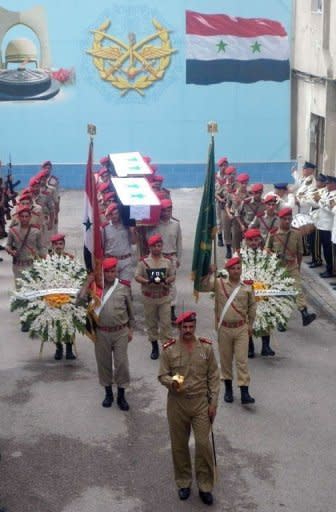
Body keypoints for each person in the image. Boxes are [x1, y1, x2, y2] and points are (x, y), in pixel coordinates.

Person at [158, 311, 220, 506]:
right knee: (179, 445)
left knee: (203, 444)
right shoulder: (169, 349)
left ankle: (205, 485)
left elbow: (214, 377)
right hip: (177, 403)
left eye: (191, 327)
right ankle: (183, 482)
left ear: (195, 326)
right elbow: (162, 375)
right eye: (184, 327)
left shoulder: (206, 348)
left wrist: (213, 403)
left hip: (201, 403)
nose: (188, 331)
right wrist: (172, 382)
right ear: (179, 328)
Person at [80, 257, 135, 410]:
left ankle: (122, 394)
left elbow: (131, 312)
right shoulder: (95, 288)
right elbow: (80, 299)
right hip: (102, 332)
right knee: (103, 363)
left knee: (122, 364)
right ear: (102, 273)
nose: (111, 274)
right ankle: (108, 392)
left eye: (113, 271)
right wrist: (87, 281)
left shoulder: (123, 288)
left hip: (120, 331)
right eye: (108, 272)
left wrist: (131, 329)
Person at [201, 257, 256, 405]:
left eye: (238, 268)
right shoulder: (219, 284)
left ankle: (245, 391)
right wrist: (208, 272)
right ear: (228, 270)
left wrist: (250, 325)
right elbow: (203, 286)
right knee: (225, 360)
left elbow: (252, 307)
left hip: (241, 328)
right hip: (224, 328)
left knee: (242, 360)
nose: (236, 271)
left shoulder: (247, 286)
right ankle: (228, 389)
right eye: (233, 268)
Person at [265, 207, 316, 329]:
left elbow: (299, 252)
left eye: (289, 219)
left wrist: (298, 267)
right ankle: (280, 320)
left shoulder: (296, 233)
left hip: (292, 265)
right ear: (280, 220)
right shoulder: (273, 233)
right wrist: (273, 255)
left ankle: (304, 313)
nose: (287, 221)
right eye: (285, 219)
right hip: (278, 267)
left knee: (297, 289)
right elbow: (266, 249)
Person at [135, 234, 175, 360]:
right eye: (154, 246)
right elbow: (137, 276)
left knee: (166, 323)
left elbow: (173, 276)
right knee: (151, 323)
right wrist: (147, 282)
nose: (157, 248)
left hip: (163, 297)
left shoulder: (167, 261)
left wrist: (166, 281)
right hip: (149, 297)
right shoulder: (143, 262)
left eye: (159, 246)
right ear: (150, 247)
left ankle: (167, 348)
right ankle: (154, 347)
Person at [146, 198, 182, 322]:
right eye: (164, 210)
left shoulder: (176, 225)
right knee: (157, 283)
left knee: (171, 284)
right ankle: (157, 310)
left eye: (169, 210)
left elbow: (179, 242)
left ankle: (171, 310)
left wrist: (178, 258)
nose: (166, 212)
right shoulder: (154, 225)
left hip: (171, 257)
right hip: (158, 258)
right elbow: (148, 239)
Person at [243, 228, 275, 357]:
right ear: (246, 241)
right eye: (250, 240)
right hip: (247, 292)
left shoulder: (266, 255)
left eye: (256, 240)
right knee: (248, 319)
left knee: (265, 318)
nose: (253, 243)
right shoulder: (240, 255)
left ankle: (265, 346)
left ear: (260, 240)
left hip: (262, 290)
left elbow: (272, 271)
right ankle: (249, 347)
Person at [5, 205, 46, 289]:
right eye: (22, 216)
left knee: (33, 288)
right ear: (18, 217)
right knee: (20, 288)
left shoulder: (36, 231)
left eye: (26, 216)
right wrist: (9, 250)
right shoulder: (13, 231)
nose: (24, 219)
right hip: (18, 265)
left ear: (30, 217)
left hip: (32, 265)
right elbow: (8, 244)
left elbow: (41, 247)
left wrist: (44, 261)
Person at [102, 203, 137, 282]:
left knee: (126, 285)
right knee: (112, 286)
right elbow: (102, 245)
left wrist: (132, 231)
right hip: (111, 260)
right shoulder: (105, 228)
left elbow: (134, 242)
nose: (114, 216)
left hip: (126, 260)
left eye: (116, 213)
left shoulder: (127, 225)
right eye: (112, 214)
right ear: (109, 215)